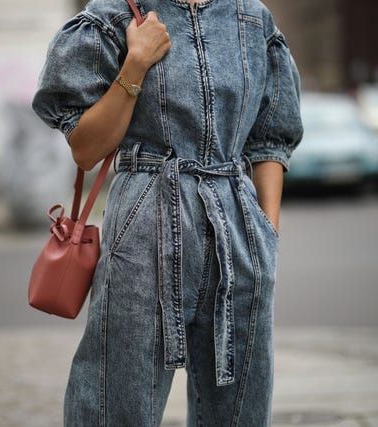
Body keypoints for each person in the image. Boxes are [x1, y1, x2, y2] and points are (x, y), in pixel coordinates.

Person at [33, 0, 303, 424]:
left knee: (239, 413)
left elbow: (269, 141)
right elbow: (86, 150)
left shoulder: (251, 17)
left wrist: (267, 234)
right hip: (143, 229)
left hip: (237, 232)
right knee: (116, 407)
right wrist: (135, 64)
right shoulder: (114, 17)